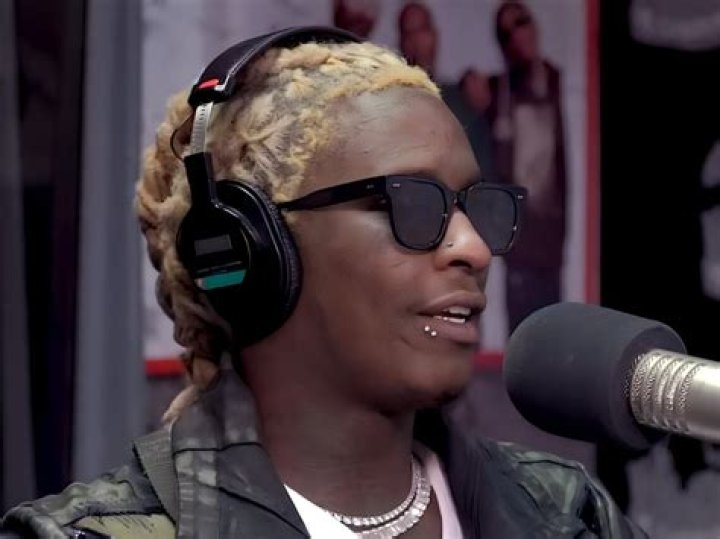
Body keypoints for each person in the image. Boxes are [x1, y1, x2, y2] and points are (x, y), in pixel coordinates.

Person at [1, 27, 643, 538]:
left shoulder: (568, 514)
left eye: (475, 207)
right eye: (409, 202)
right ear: (254, 248)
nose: (473, 249)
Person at [477, 0, 568, 334]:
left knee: (553, 336)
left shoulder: (554, 80)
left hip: (551, 241)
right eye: (506, 33)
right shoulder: (498, 91)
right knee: (523, 336)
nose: (517, 36)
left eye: (521, 23)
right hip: (520, 244)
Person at [398, 2, 496, 184]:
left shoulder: (462, 101)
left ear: (434, 36)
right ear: (401, 42)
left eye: (421, 30)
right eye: (408, 33)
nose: (416, 40)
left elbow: (484, 173)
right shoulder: (394, 106)